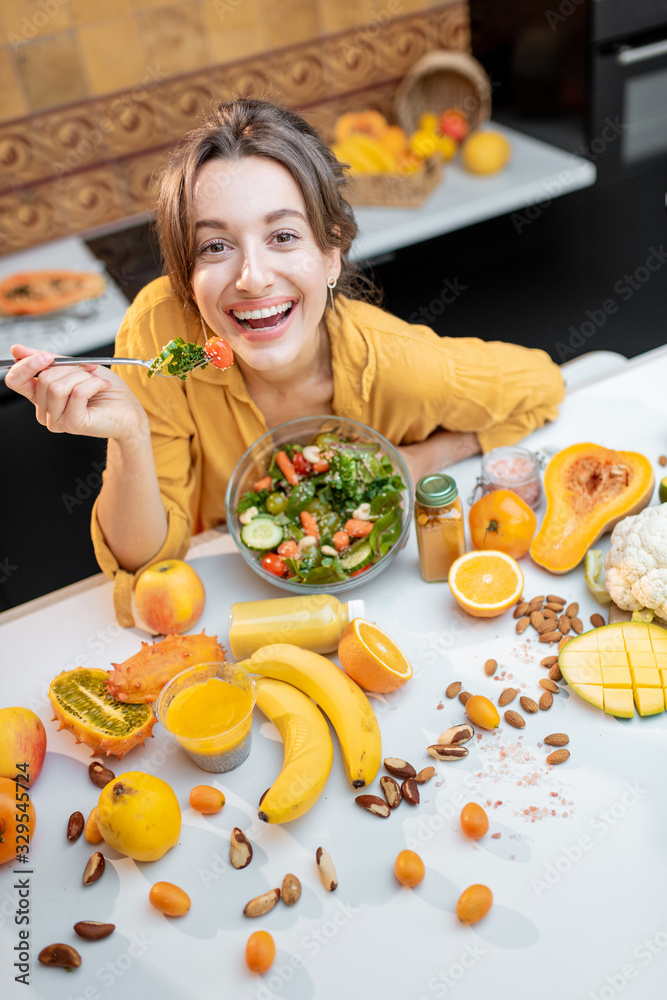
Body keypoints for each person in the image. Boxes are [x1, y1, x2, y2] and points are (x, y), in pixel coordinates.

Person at [6, 98, 565, 623]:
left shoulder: (402, 364)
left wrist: (425, 456)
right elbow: (148, 565)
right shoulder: (159, 334)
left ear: (331, 250)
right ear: (186, 276)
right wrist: (129, 435)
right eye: (215, 246)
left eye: (282, 235)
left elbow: (543, 386)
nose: (251, 277)